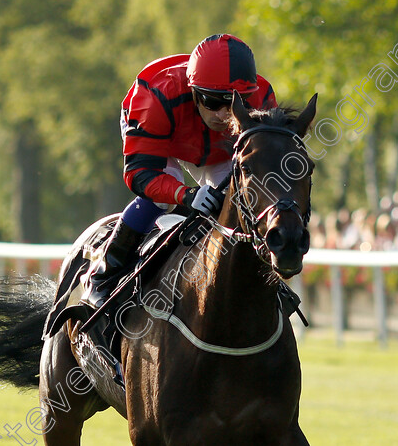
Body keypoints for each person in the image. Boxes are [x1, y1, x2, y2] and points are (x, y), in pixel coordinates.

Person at [82, 34, 278, 308]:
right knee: (165, 192)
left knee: (238, 201)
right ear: (194, 92)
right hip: (163, 134)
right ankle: (104, 274)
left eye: (235, 104)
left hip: (216, 147)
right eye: (212, 102)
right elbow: (140, 175)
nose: (224, 115)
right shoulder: (157, 96)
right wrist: (185, 195)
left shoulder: (262, 99)